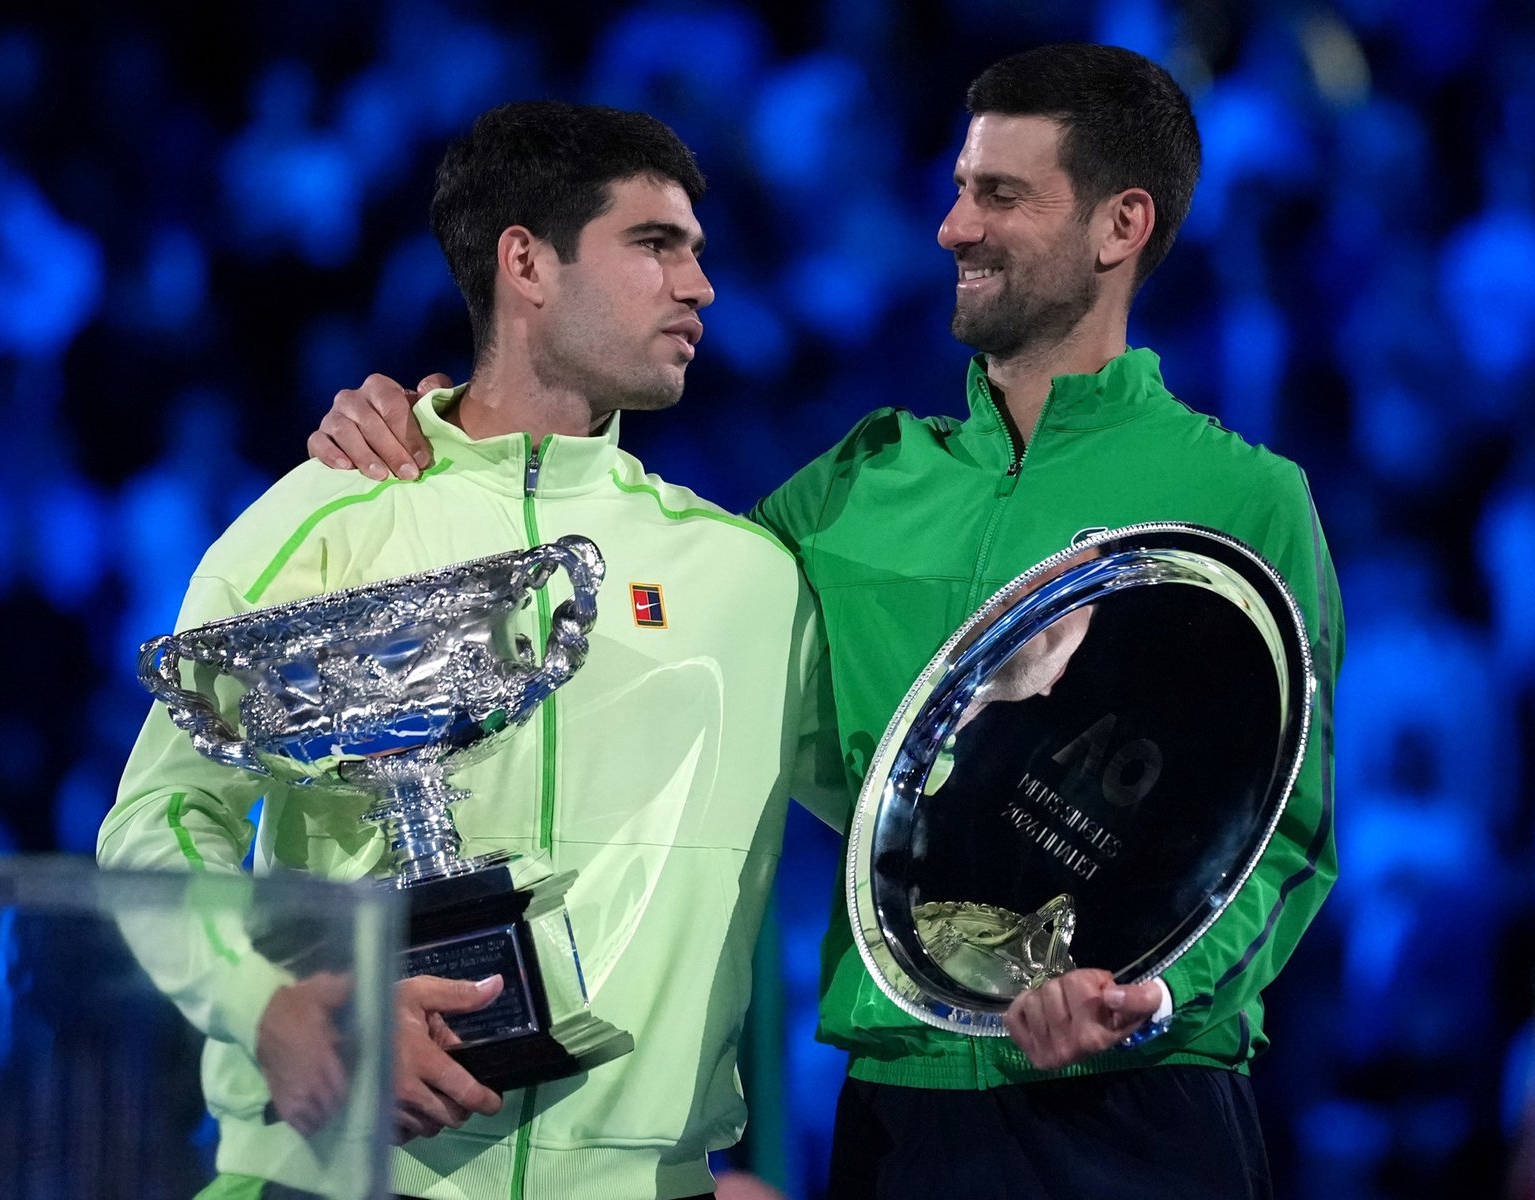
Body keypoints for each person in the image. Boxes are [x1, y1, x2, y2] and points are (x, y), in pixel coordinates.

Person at [313, 43, 1343, 1199]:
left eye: (999, 195)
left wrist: (1150, 993)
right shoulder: (851, 486)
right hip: (902, 1115)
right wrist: (437, 429)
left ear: (1120, 227)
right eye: (958, 189)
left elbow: (1284, 837)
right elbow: (627, 604)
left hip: (1139, 1114)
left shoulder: (1244, 503)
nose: (953, 227)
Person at [101, 100, 842, 1200]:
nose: (700, 287)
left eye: (698, 252)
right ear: (526, 263)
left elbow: (902, 824)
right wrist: (266, 1006)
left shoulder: (749, 579)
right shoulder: (327, 514)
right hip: (335, 1170)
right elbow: (158, 818)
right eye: (655, 245)